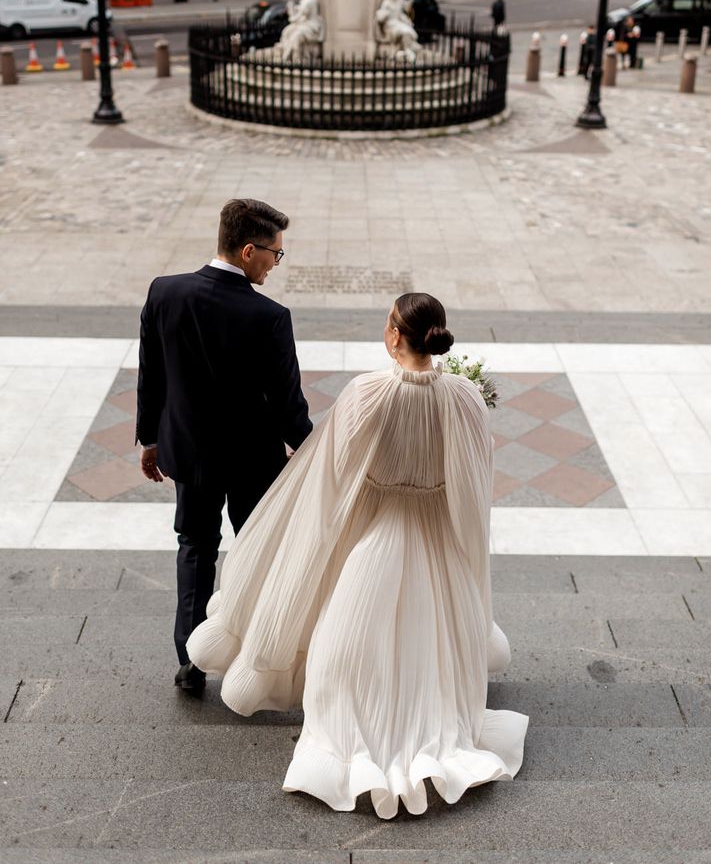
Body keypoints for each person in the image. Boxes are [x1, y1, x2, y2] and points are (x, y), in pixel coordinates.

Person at [187, 293, 528, 819]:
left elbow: (335, 475)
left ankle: (354, 730)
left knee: (345, 640)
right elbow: (475, 486)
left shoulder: (367, 393)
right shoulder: (463, 397)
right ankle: (428, 726)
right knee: (430, 636)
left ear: (394, 334)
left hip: (380, 532)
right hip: (437, 535)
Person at [137, 199, 312, 696]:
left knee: (195, 547)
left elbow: (152, 375)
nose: (276, 264)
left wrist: (150, 439)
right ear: (249, 250)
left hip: (188, 454)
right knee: (253, 554)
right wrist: (314, 449)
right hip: (251, 461)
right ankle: (250, 657)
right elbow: (287, 404)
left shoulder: (165, 292)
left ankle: (190, 661)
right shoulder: (269, 316)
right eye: (275, 255)